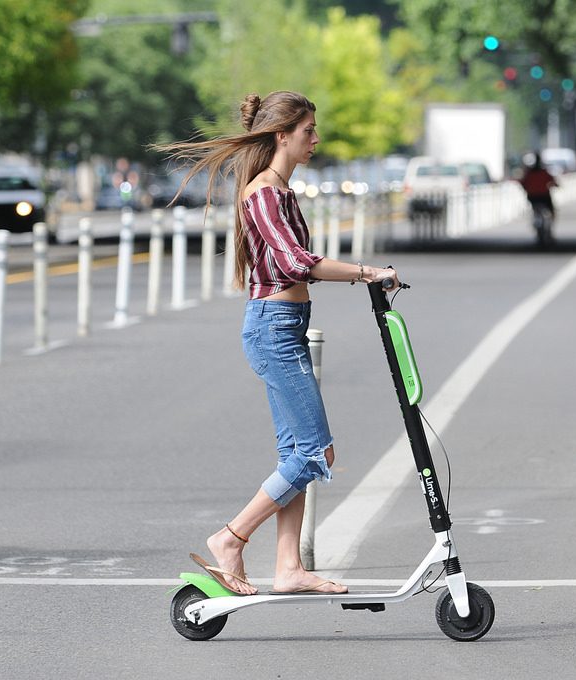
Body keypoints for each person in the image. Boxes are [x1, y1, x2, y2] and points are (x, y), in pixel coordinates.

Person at [155, 91, 400, 595]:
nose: (316, 139)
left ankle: (288, 568)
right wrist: (368, 272)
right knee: (315, 452)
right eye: (308, 130)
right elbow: (294, 263)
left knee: (296, 450)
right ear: (281, 136)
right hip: (273, 328)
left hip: (284, 324)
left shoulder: (280, 192)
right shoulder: (264, 193)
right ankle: (230, 538)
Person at [518, 151, 559, 220]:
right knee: (551, 209)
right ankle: (552, 219)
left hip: (532, 196)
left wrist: (526, 189)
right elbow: (552, 181)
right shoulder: (543, 172)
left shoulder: (529, 173)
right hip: (543, 196)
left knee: (534, 207)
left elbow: (523, 183)